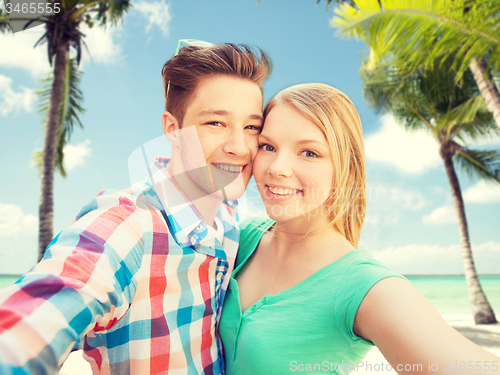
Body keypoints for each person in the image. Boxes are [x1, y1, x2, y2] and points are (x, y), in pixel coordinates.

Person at [0, 41, 271, 375]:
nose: (239, 147)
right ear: (173, 130)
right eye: (215, 123)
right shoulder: (129, 226)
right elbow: (28, 325)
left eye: (252, 127)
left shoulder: (228, 225)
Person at [219, 83, 500, 374]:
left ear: (346, 168)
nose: (277, 167)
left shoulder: (365, 287)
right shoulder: (243, 237)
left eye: (309, 153)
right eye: (268, 146)